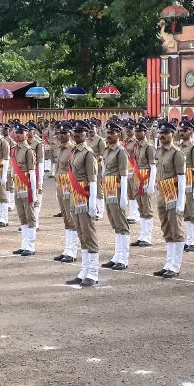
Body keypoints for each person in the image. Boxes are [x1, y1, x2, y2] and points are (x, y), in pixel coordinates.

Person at [66, 120, 99, 286]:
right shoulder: (73, 152)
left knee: (89, 234)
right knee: (81, 234)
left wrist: (92, 202)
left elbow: (93, 179)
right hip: (75, 197)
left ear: (87, 134)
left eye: (80, 131)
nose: (76, 133)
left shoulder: (88, 153)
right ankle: (84, 270)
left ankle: (93, 272)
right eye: (75, 131)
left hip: (85, 196)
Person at [152, 121, 187, 278]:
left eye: (165, 133)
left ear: (172, 134)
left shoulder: (177, 153)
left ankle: (175, 265)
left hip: (173, 195)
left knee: (176, 230)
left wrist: (180, 201)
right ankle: (169, 262)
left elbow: (181, 179)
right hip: (162, 195)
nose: (162, 136)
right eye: (160, 133)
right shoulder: (158, 152)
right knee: (166, 229)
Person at [100, 121, 130, 270]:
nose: (109, 135)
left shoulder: (121, 151)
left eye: (112, 133)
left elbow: (124, 175)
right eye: (108, 132)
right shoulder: (107, 150)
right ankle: (117, 255)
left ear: (118, 134)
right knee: (114, 223)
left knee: (121, 223)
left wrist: (123, 195)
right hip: (108, 188)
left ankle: (123, 258)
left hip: (117, 189)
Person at [52, 121, 78, 263]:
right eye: (60, 133)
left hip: (70, 185)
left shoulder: (73, 149)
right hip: (60, 184)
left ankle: (72, 251)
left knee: (71, 217)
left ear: (70, 134)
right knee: (66, 219)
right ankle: (67, 249)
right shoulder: (59, 149)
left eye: (65, 133)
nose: (62, 136)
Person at [10, 123, 38, 256]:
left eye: (21, 133)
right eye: (17, 132)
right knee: (22, 216)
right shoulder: (14, 149)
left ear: (27, 134)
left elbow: (32, 173)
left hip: (27, 186)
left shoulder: (29, 151)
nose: (18, 135)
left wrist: (34, 192)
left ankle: (31, 246)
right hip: (17, 185)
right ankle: (24, 244)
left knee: (30, 216)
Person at [131, 122, 156, 247]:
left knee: (147, 208)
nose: (136, 133)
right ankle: (142, 236)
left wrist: (151, 184)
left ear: (145, 132)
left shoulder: (149, 147)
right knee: (140, 208)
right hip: (137, 178)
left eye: (139, 131)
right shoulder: (137, 146)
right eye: (136, 131)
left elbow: (153, 166)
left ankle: (147, 237)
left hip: (145, 179)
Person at [179, 118, 194, 252]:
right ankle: (189, 239)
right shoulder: (180, 146)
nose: (182, 133)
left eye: (185, 130)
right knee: (186, 212)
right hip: (182, 183)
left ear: (190, 131)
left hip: (190, 182)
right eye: (180, 130)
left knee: (192, 212)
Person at [26, 122, 46, 229]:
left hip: (36, 173)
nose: (28, 132)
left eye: (30, 130)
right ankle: (28, 221)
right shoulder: (23, 143)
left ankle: (36, 221)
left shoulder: (38, 144)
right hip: (25, 174)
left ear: (34, 131)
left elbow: (41, 162)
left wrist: (40, 181)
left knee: (36, 198)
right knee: (27, 199)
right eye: (27, 130)